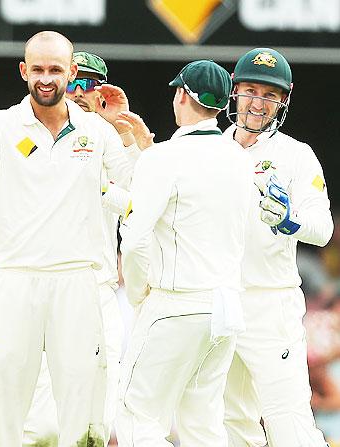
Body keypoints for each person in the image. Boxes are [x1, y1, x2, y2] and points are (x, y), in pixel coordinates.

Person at [0, 31, 141, 446]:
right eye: (37, 69)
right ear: (23, 71)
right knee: (4, 411)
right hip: (15, 281)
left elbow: (140, 193)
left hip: (79, 282)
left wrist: (129, 135)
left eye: (56, 70)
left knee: (82, 419)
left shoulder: (96, 132)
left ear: (71, 71)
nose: (46, 78)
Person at [116, 60, 253, 446]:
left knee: (136, 417)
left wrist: (139, 294)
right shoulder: (240, 158)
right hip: (225, 308)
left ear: (181, 96)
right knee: (204, 424)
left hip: (176, 303)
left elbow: (136, 238)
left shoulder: (165, 158)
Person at [23, 50, 150, 446]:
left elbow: (144, 200)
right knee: (40, 425)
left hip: (97, 288)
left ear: (101, 92)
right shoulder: (29, 134)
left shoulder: (110, 139)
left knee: (97, 422)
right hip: (41, 284)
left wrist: (127, 132)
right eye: (73, 82)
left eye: (89, 86)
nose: (78, 93)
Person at [222, 47, 333, 447]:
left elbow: (322, 229)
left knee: (289, 421)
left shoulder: (295, 155)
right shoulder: (211, 150)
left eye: (270, 95)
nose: (258, 102)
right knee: (232, 420)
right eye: (251, 90)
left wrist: (290, 221)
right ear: (234, 92)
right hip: (220, 301)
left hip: (271, 304)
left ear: (283, 100)